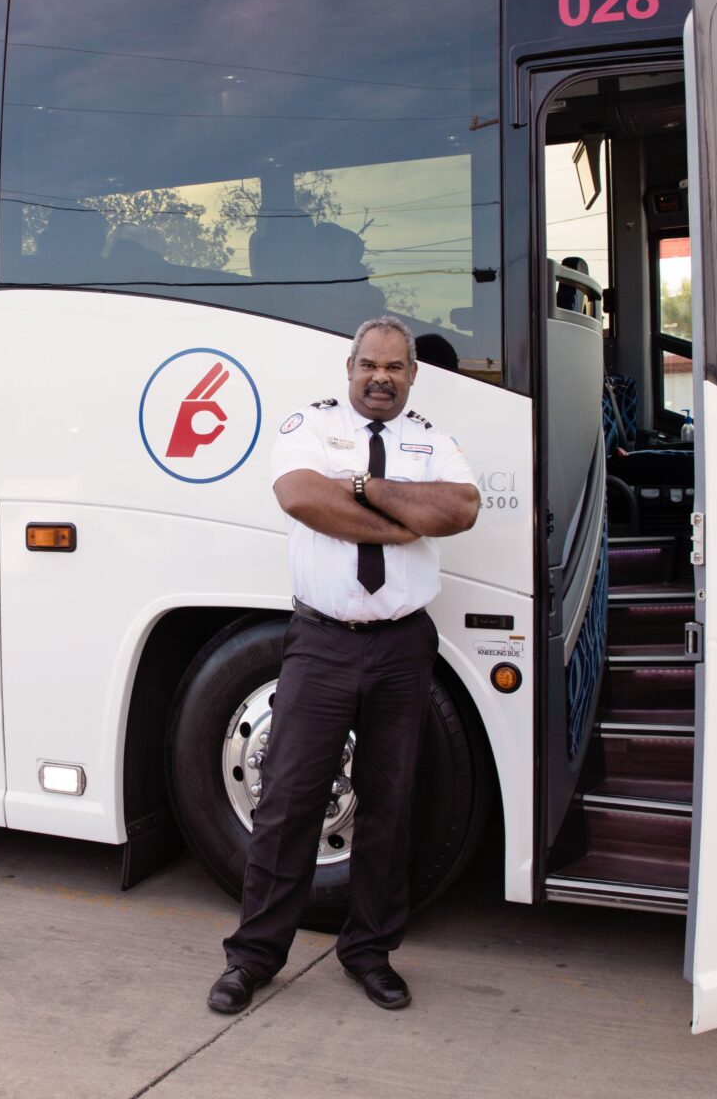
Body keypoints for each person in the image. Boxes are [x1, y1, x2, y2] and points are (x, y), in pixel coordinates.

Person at [206, 315, 480, 1015]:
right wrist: (405, 517)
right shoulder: (310, 426)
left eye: (394, 367)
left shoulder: (431, 439)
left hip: (402, 646)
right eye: (369, 365)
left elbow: (460, 507)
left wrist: (360, 488)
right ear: (350, 368)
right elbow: (302, 496)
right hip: (323, 641)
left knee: (390, 805)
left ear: (412, 375)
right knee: (287, 803)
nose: (380, 378)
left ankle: (370, 954)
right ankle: (253, 957)